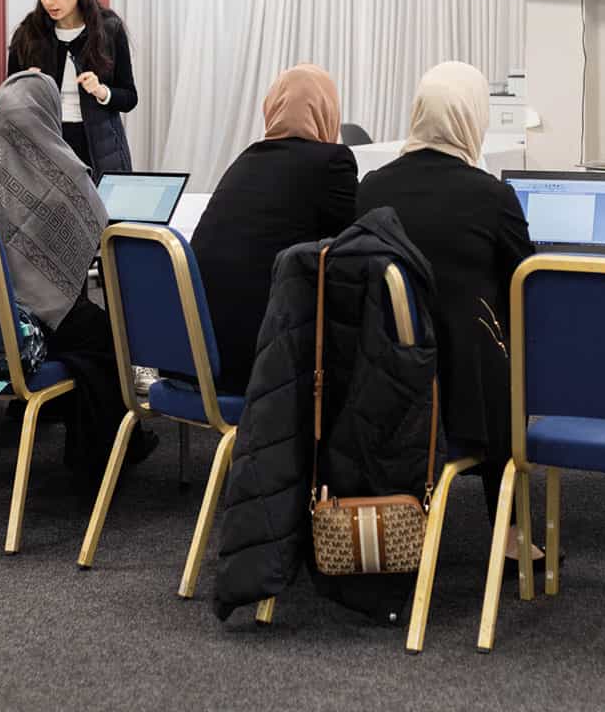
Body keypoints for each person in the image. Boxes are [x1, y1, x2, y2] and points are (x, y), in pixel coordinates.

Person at [355, 61, 537, 561]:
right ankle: (515, 538)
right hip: (468, 394)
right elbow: (528, 280)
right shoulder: (490, 195)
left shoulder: (371, 187)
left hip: (385, 377)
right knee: (494, 342)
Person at [0, 71, 156, 475]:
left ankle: (61, 417)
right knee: (108, 337)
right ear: (48, 111)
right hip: (35, 329)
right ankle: (104, 458)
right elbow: (97, 235)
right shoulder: (67, 172)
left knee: (86, 337)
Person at [191, 65, 358, 395]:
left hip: (197, 350)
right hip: (265, 359)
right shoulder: (332, 162)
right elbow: (352, 252)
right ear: (329, 109)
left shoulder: (245, 159)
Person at [7, 0, 137, 177]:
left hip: (100, 148)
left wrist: (101, 91)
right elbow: (8, 104)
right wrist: (26, 87)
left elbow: (129, 97)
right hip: (46, 147)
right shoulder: (28, 34)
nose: (48, 0)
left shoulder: (109, 29)